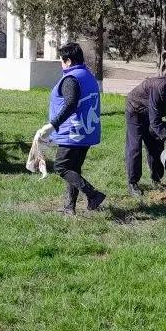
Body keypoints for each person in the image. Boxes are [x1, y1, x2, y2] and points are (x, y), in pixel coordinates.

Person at [38, 43, 106, 215]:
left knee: (61, 167)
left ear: (68, 61)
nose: (61, 64)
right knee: (73, 169)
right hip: (87, 132)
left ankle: (93, 194)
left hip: (73, 133)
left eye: (62, 60)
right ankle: (69, 208)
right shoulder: (88, 75)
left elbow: (70, 105)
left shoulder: (71, 79)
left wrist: (53, 125)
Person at [124, 72, 166, 197]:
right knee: (135, 147)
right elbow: (155, 121)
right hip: (135, 110)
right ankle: (133, 183)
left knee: (155, 145)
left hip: (151, 113)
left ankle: (156, 180)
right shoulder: (158, 87)